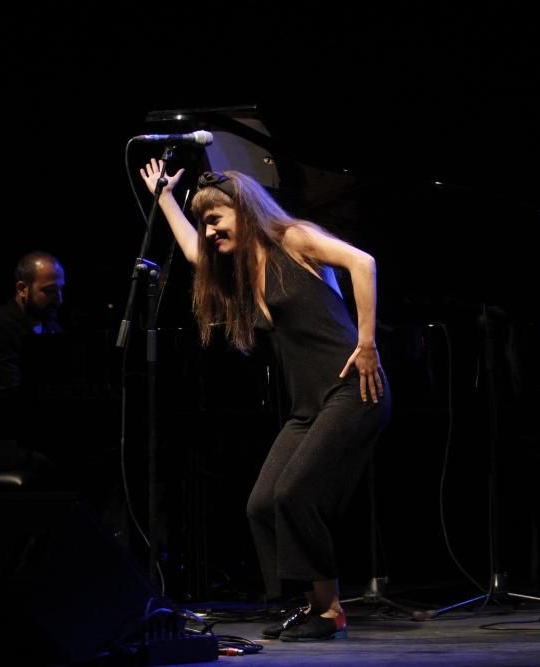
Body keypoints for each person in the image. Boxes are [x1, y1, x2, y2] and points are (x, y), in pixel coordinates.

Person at [140, 159, 391, 641]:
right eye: (206, 224)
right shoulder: (241, 271)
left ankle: (329, 609)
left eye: (215, 220)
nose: (209, 232)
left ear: (245, 209)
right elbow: (194, 254)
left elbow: (363, 262)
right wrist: (164, 199)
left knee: (295, 493)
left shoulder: (291, 241)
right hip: (308, 406)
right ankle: (312, 603)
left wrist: (366, 343)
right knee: (261, 503)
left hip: (353, 389)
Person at [0, 251, 65, 473]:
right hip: (1, 445)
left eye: (61, 290)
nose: (59, 299)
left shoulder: (53, 329)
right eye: (49, 291)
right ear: (22, 289)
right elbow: (8, 395)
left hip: (36, 437)